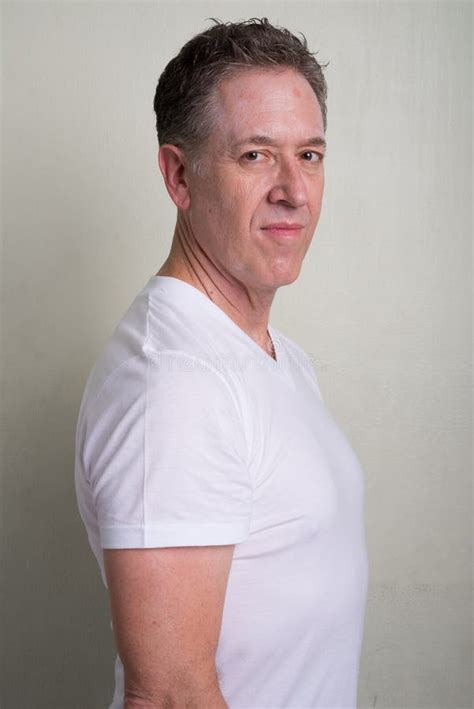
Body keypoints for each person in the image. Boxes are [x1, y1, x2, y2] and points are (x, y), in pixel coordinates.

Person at [74, 17, 369, 709]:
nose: (294, 190)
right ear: (180, 175)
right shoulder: (174, 385)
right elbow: (170, 697)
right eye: (256, 156)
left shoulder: (270, 354)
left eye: (312, 155)